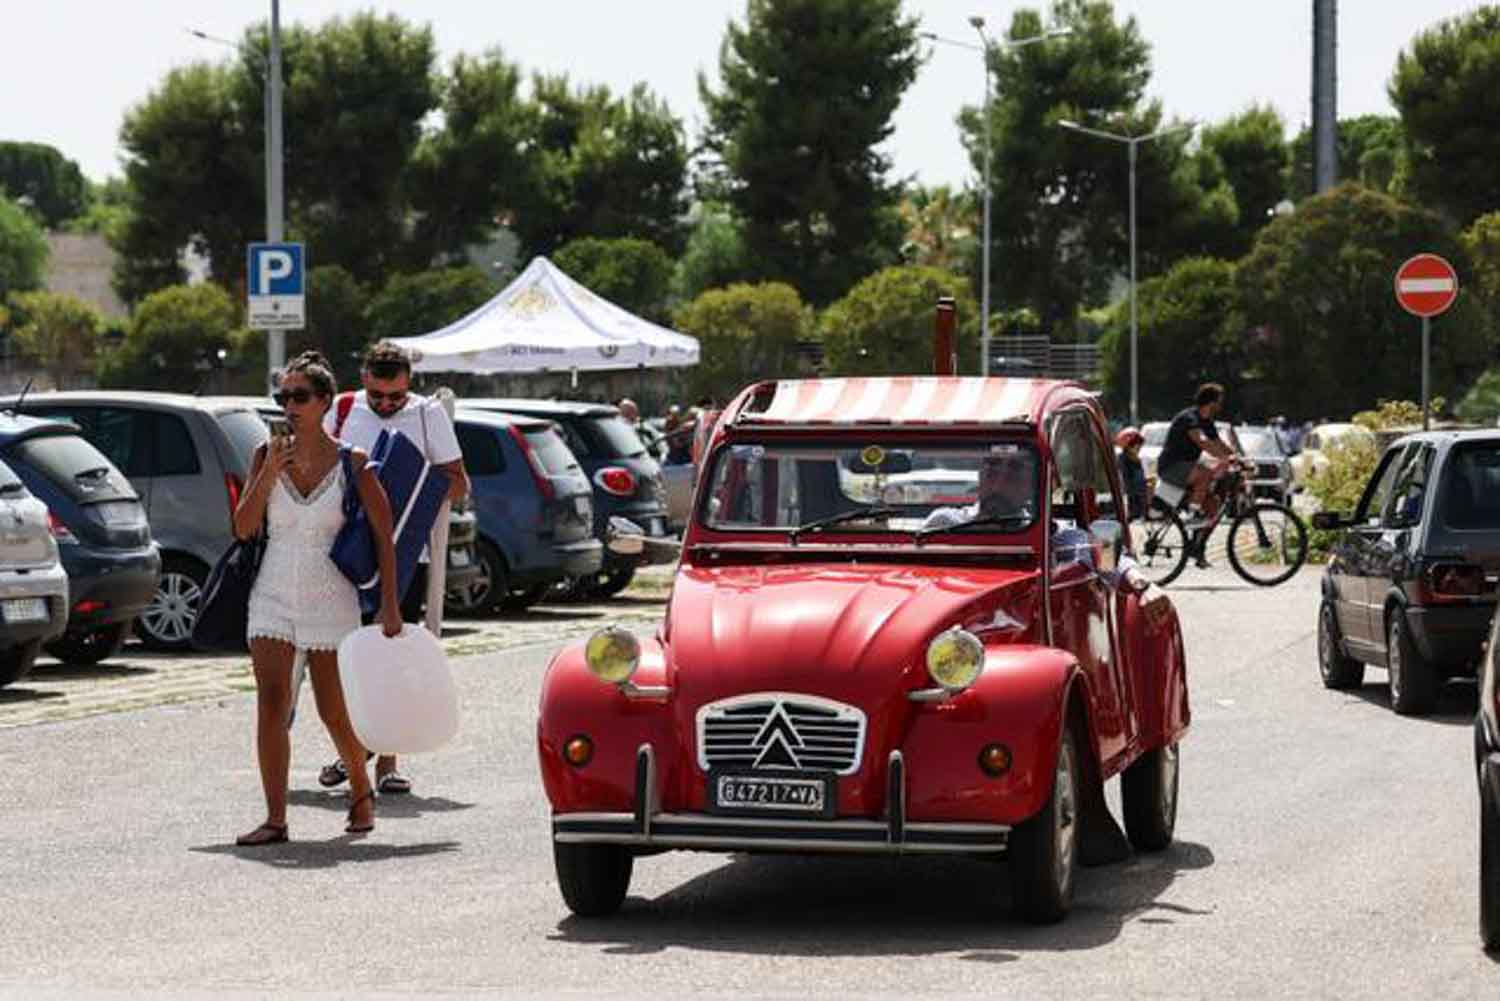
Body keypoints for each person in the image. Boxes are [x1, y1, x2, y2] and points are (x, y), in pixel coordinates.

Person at [235, 352, 403, 846]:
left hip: (332, 597)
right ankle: (275, 818)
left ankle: (360, 791)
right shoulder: (265, 456)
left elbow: (384, 538)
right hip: (272, 594)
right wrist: (269, 474)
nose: (290, 405)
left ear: (325, 402)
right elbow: (243, 528)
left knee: (334, 709)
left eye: (300, 396)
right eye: (283, 397)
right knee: (272, 703)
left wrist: (390, 607)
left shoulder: (353, 463)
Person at [316, 341, 470, 796]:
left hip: (405, 552)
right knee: (347, 657)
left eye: (395, 397)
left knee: (391, 654)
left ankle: (383, 762)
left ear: (409, 386)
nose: (386, 405)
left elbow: (458, 482)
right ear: (364, 379)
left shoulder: (426, 414)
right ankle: (354, 750)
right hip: (344, 548)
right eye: (378, 396)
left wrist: (410, 487)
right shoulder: (343, 409)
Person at [1157, 382, 1238, 568]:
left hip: (1187, 468)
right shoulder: (1189, 418)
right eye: (1219, 401)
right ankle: (1192, 515)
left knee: (1213, 506)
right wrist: (1225, 458)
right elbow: (1202, 442)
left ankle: (1196, 548)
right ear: (1211, 402)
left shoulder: (1207, 421)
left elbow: (1218, 443)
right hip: (1172, 467)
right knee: (1206, 473)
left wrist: (1238, 458)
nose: (1221, 405)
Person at [919, 451, 1037, 532]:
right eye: (992, 474)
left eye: (1012, 478)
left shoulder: (1043, 533)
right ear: (980, 476)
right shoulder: (944, 522)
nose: (997, 487)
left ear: (1030, 488)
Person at [1115, 427, 1150, 522]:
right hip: (1132, 489)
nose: (1138, 449)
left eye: (1139, 446)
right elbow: (1126, 478)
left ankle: (1141, 512)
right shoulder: (1123, 459)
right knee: (1134, 501)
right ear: (1127, 447)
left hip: (1138, 488)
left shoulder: (1135, 458)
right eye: (1136, 446)